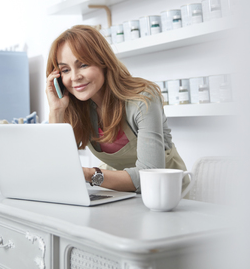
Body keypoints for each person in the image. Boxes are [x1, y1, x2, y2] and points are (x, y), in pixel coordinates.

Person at [45, 25, 188, 193]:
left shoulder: (142, 99)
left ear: (103, 62)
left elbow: (150, 176)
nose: (75, 77)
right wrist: (56, 110)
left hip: (166, 195)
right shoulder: (79, 107)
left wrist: (89, 174)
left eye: (83, 64)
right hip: (118, 195)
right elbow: (56, 165)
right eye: (65, 70)